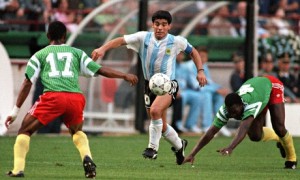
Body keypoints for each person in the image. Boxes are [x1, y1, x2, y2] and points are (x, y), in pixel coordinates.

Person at [5, 21, 138, 178]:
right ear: (65, 36)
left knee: (25, 130)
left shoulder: (39, 55)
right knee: (76, 131)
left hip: (53, 97)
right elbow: (100, 69)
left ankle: (18, 169)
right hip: (75, 98)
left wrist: (15, 111)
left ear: (48, 36)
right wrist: (123, 75)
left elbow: (27, 82)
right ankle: (87, 157)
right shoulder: (77, 53)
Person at [91, 10, 207, 165]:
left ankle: (152, 148)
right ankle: (180, 146)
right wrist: (102, 49)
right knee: (162, 125)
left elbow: (193, 52)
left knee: (155, 111)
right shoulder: (143, 37)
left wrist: (200, 71)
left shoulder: (177, 41)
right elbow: (120, 40)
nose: (160, 27)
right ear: (153, 24)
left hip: (168, 84)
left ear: (169, 26)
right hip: (149, 86)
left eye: (164, 25)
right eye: (157, 24)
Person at [183, 76, 297, 169]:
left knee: (279, 127)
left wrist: (230, 147)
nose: (233, 115)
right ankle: (279, 139)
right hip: (259, 92)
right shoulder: (225, 110)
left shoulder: (250, 104)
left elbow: (244, 128)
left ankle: (291, 159)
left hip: (271, 86)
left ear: (241, 105)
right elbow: (210, 132)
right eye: (230, 112)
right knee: (255, 136)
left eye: (235, 112)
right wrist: (192, 154)